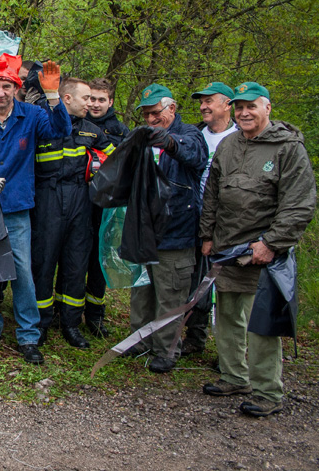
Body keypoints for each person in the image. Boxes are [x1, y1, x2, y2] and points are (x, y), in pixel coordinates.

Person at [200, 82, 315, 416]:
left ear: (267, 108)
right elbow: (212, 193)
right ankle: (234, 376)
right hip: (225, 249)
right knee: (227, 317)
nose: (245, 113)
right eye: (239, 107)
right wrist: (207, 235)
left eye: (252, 106)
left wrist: (272, 243)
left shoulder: (287, 148)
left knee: (261, 324)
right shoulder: (229, 145)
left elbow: (299, 203)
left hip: (263, 254)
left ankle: (268, 391)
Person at [0, 55, 70, 364]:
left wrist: (52, 96)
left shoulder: (32, 116)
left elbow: (60, 129)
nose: (1, 92)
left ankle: (29, 336)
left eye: (7, 86)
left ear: (16, 88)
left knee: (22, 272)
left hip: (17, 207)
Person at [128, 84, 207, 373]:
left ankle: (167, 349)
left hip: (177, 231)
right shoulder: (144, 138)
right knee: (142, 291)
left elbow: (195, 156)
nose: (150, 120)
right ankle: (140, 340)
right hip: (145, 229)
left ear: (171, 108)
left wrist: (169, 142)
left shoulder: (190, 135)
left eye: (155, 113)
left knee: (170, 295)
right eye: (146, 115)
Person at [30, 78, 115, 349]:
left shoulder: (93, 131)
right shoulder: (42, 125)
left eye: (93, 99)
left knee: (76, 265)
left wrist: (100, 164)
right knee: (43, 264)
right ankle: (40, 323)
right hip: (47, 200)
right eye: (86, 98)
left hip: (81, 201)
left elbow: (116, 161)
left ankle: (70, 324)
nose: (90, 103)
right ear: (67, 99)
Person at [181, 81, 237, 356]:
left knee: (229, 284)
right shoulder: (195, 135)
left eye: (209, 101)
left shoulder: (240, 137)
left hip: (231, 224)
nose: (203, 106)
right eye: (201, 102)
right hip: (196, 218)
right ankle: (196, 336)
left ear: (227, 104)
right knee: (198, 279)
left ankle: (233, 352)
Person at [84, 78, 130, 337]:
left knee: (98, 261)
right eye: (91, 98)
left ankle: (95, 316)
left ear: (111, 102)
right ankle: (64, 310)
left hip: (106, 205)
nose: (95, 104)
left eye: (101, 100)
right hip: (79, 201)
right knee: (76, 258)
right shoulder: (77, 124)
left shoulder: (120, 131)